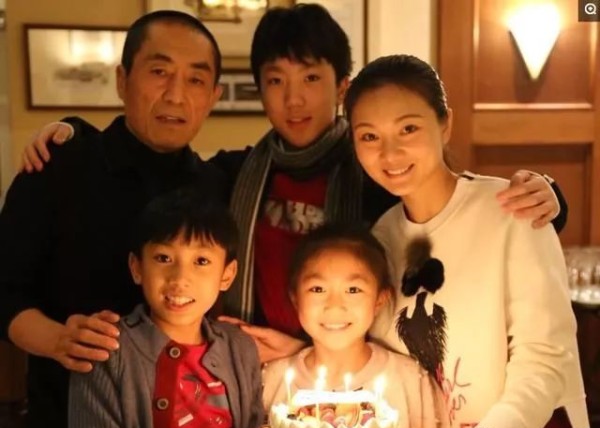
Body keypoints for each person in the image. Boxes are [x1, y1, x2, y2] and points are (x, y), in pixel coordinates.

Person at [19, 5, 566, 359]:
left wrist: (549, 194)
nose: (294, 98)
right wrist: (74, 133)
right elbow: (158, 184)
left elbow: (457, 207)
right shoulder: (232, 173)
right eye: (276, 81)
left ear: (342, 86)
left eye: (311, 78)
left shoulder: (377, 171)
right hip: (248, 372)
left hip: (357, 373)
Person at [0, 10, 227, 428]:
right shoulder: (57, 169)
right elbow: (4, 290)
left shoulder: (216, 188)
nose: (176, 95)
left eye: (196, 80)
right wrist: (57, 339)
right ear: (123, 80)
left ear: (213, 96)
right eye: (159, 72)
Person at [343, 54, 592, 428]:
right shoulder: (379, 240)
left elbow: (546, 355)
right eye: (369, 136)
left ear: (445, 124)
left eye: (408, 128)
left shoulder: (513, 211)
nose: (390, 152)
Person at [68, 188, 264, 428]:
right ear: (137, 267)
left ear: (227, 275)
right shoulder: (106, 350)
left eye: (201, 261)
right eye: (163, 258)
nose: (180, 279)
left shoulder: (240, 348)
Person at [261, 224, 451, 428]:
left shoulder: (410, 380)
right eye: (318, 289)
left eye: (353, 290)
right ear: (295, 298)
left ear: (379, 300)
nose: (335, 305)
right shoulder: (272, 380)